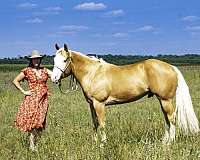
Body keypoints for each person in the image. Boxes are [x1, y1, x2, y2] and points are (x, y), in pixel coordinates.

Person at [13, 50, 52, 151]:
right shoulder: (27, 70)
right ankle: (32, 145)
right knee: (33, 120)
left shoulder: (45, 70)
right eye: (34, 59)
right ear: (31, 60)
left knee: (40, 121)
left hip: (43, 99)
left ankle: (36, 142)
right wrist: (24, 91)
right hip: (32, 98)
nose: (36, 60)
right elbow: (15, 81)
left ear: (40, 59)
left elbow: (55, 77)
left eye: (38, 59)